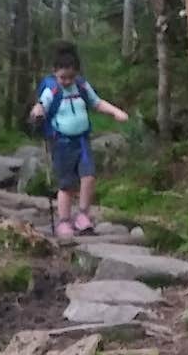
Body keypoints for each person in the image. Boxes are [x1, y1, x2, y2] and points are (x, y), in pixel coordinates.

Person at [30, 42, 129, 241]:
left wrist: (116, 112)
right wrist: (37, 113)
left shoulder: (82, 85)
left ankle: (83, 215)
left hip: (82, 140)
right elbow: (40, 107)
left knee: (89, 176)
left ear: (76, 73)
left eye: (70, 77)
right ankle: (65, 221)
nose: (66, 81)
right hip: (62, 143)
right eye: (62, 77)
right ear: (55, 73)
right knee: (66, 185)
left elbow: (97, 102)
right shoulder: (52, 90)